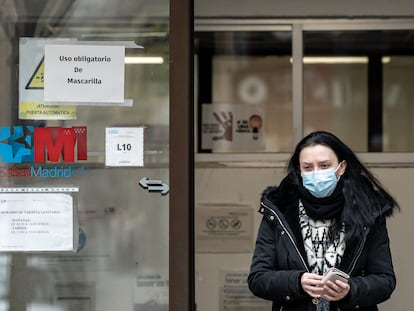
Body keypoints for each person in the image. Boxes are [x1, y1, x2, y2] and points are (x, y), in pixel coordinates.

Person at [247, 131, 399, 311]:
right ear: (299, 170)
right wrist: (296, 282)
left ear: (341, 167)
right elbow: (258, 278)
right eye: (308, 167)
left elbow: (385, 280)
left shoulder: (367, 212)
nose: (316, 174)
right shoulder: (280, 211)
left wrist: (351, 291)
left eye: (325, 165)